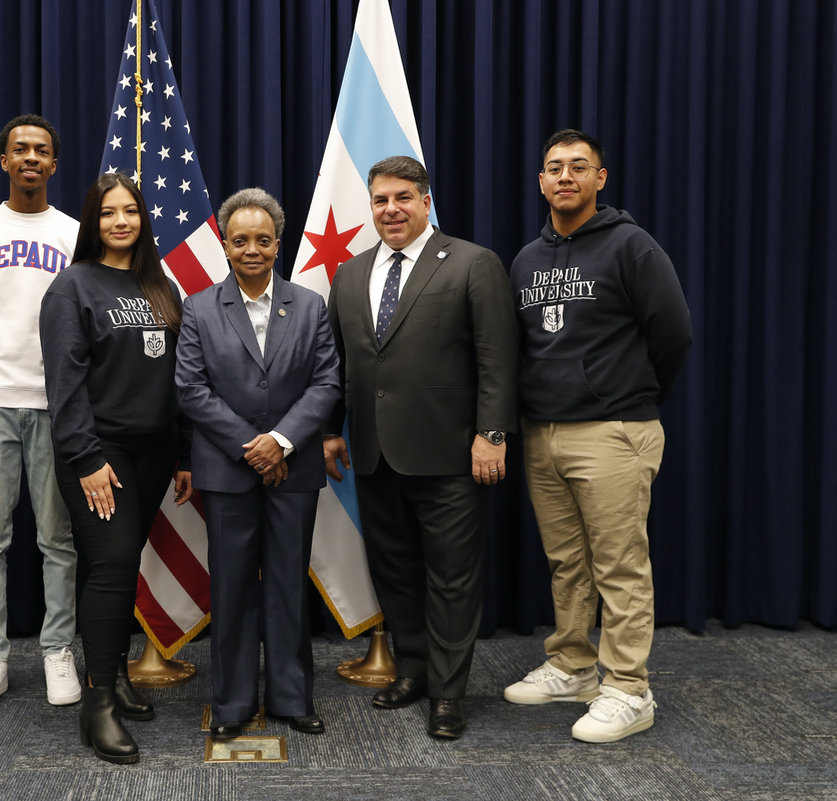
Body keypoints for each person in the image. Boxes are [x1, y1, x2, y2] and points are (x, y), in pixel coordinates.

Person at [504, 129, 692, 743]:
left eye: (578, 167)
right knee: (567, 562)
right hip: (543, 432)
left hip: (613, 430)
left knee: (619, 566)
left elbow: (673, 333)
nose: (565, 177)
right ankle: (573, 664)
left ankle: (629, 689)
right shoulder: (526, 260)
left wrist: (629, 397)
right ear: (540, 181)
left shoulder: (630, 246)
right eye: (554, 167)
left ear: (599, 178)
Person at [324, 156, 517, 739]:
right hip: (375, 454)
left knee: (452, 578)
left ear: (426, 201)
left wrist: (493, 434)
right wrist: (333, 428)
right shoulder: (351, 275)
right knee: (396, 571)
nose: (391, 209)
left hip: (452, 456)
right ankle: (412, 671)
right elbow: (338, 363)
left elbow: (498, 359)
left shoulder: (472, 263)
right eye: (380, 200)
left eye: (403, 198)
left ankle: (448, 693)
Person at [39, 173, 193, 765]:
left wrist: (182, 453)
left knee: (125, 566)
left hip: (155, 454)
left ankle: (118, 675)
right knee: (110, 567)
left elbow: (177, 378)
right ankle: (97, 702)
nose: (121, 222)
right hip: (100, 455)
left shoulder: (160, 285)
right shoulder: (71, 287)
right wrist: (87, 459)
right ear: (92, 221)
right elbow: (65, 383)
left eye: (130, 211)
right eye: (108, 213)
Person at [175, 188, 340, 740]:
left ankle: (293, 699)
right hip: (228, 471)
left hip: (295, 471)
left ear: (278, 244)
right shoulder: (198, 306)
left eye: (262, 240)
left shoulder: (311, 304)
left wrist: (283, 441)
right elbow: (191, 389)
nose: (252, 249)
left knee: (289, 585)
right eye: (240, 240)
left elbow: (326, 383)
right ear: (224, 245)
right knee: (233, 587)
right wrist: (254, 445)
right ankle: (232, 705)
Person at [0, 114, 81, 714]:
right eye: (20, 149)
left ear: (54, 164)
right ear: (4, 161)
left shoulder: (77, 234)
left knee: (57, 537)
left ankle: (57, 650)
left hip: (58, 408)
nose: (31, 157)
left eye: (42, 150)